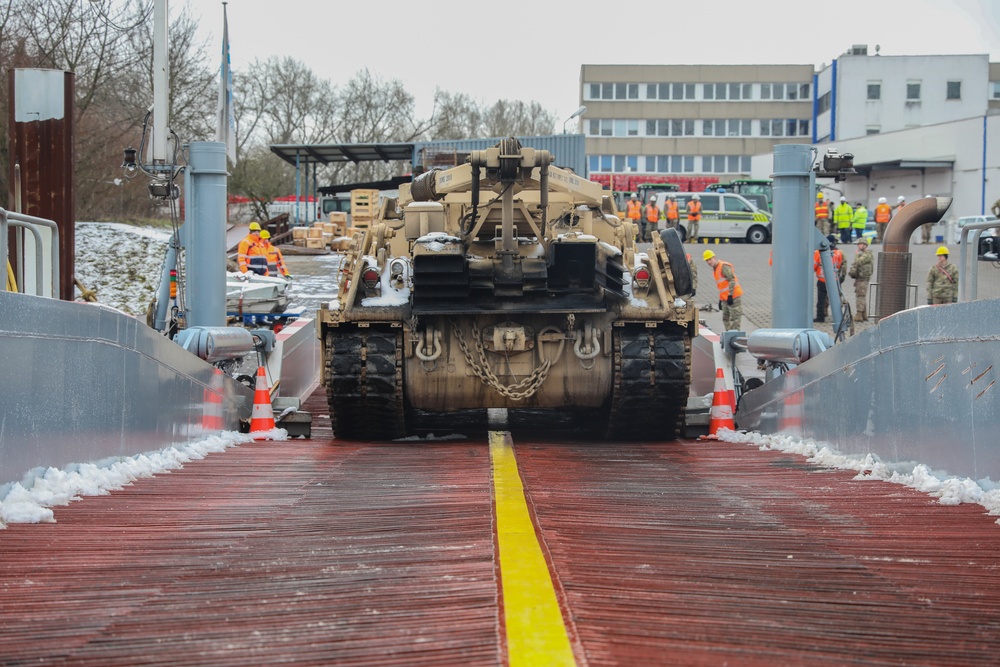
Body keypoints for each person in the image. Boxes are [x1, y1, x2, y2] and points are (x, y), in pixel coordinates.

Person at [703, 249, 742, 331]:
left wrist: (730, 295)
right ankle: (729, 335)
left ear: (714, 257)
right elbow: (722, 287)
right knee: (726, 318)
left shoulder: (723, 266)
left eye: (710, 259)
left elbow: (731, 280)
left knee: (734, 319)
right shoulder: (716, 269)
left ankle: (734, 336)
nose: (709, 262)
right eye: (707, 261)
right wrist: (720, 300)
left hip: (733, 297)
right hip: (725, 298)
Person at [813, 235, 845, 323]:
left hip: (822, 281)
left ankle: (820, 317)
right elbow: (839, 265)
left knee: (821, 300)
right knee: (835, 299)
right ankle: (838, 317)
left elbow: (813, 266)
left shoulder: (818, 253)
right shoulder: (839, 253)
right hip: (834, 280)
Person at [848, 237, 874, 321]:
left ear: (865, 245)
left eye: (860, 244)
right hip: (860, 278)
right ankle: (864, 315)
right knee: (861, 294)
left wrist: (856, 255)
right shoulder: (863, 254)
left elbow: (859, 262)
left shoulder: (867, 254)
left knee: (860, 296)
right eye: (858, 245)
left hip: (863, 278)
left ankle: (859, 314)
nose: (858, 246)